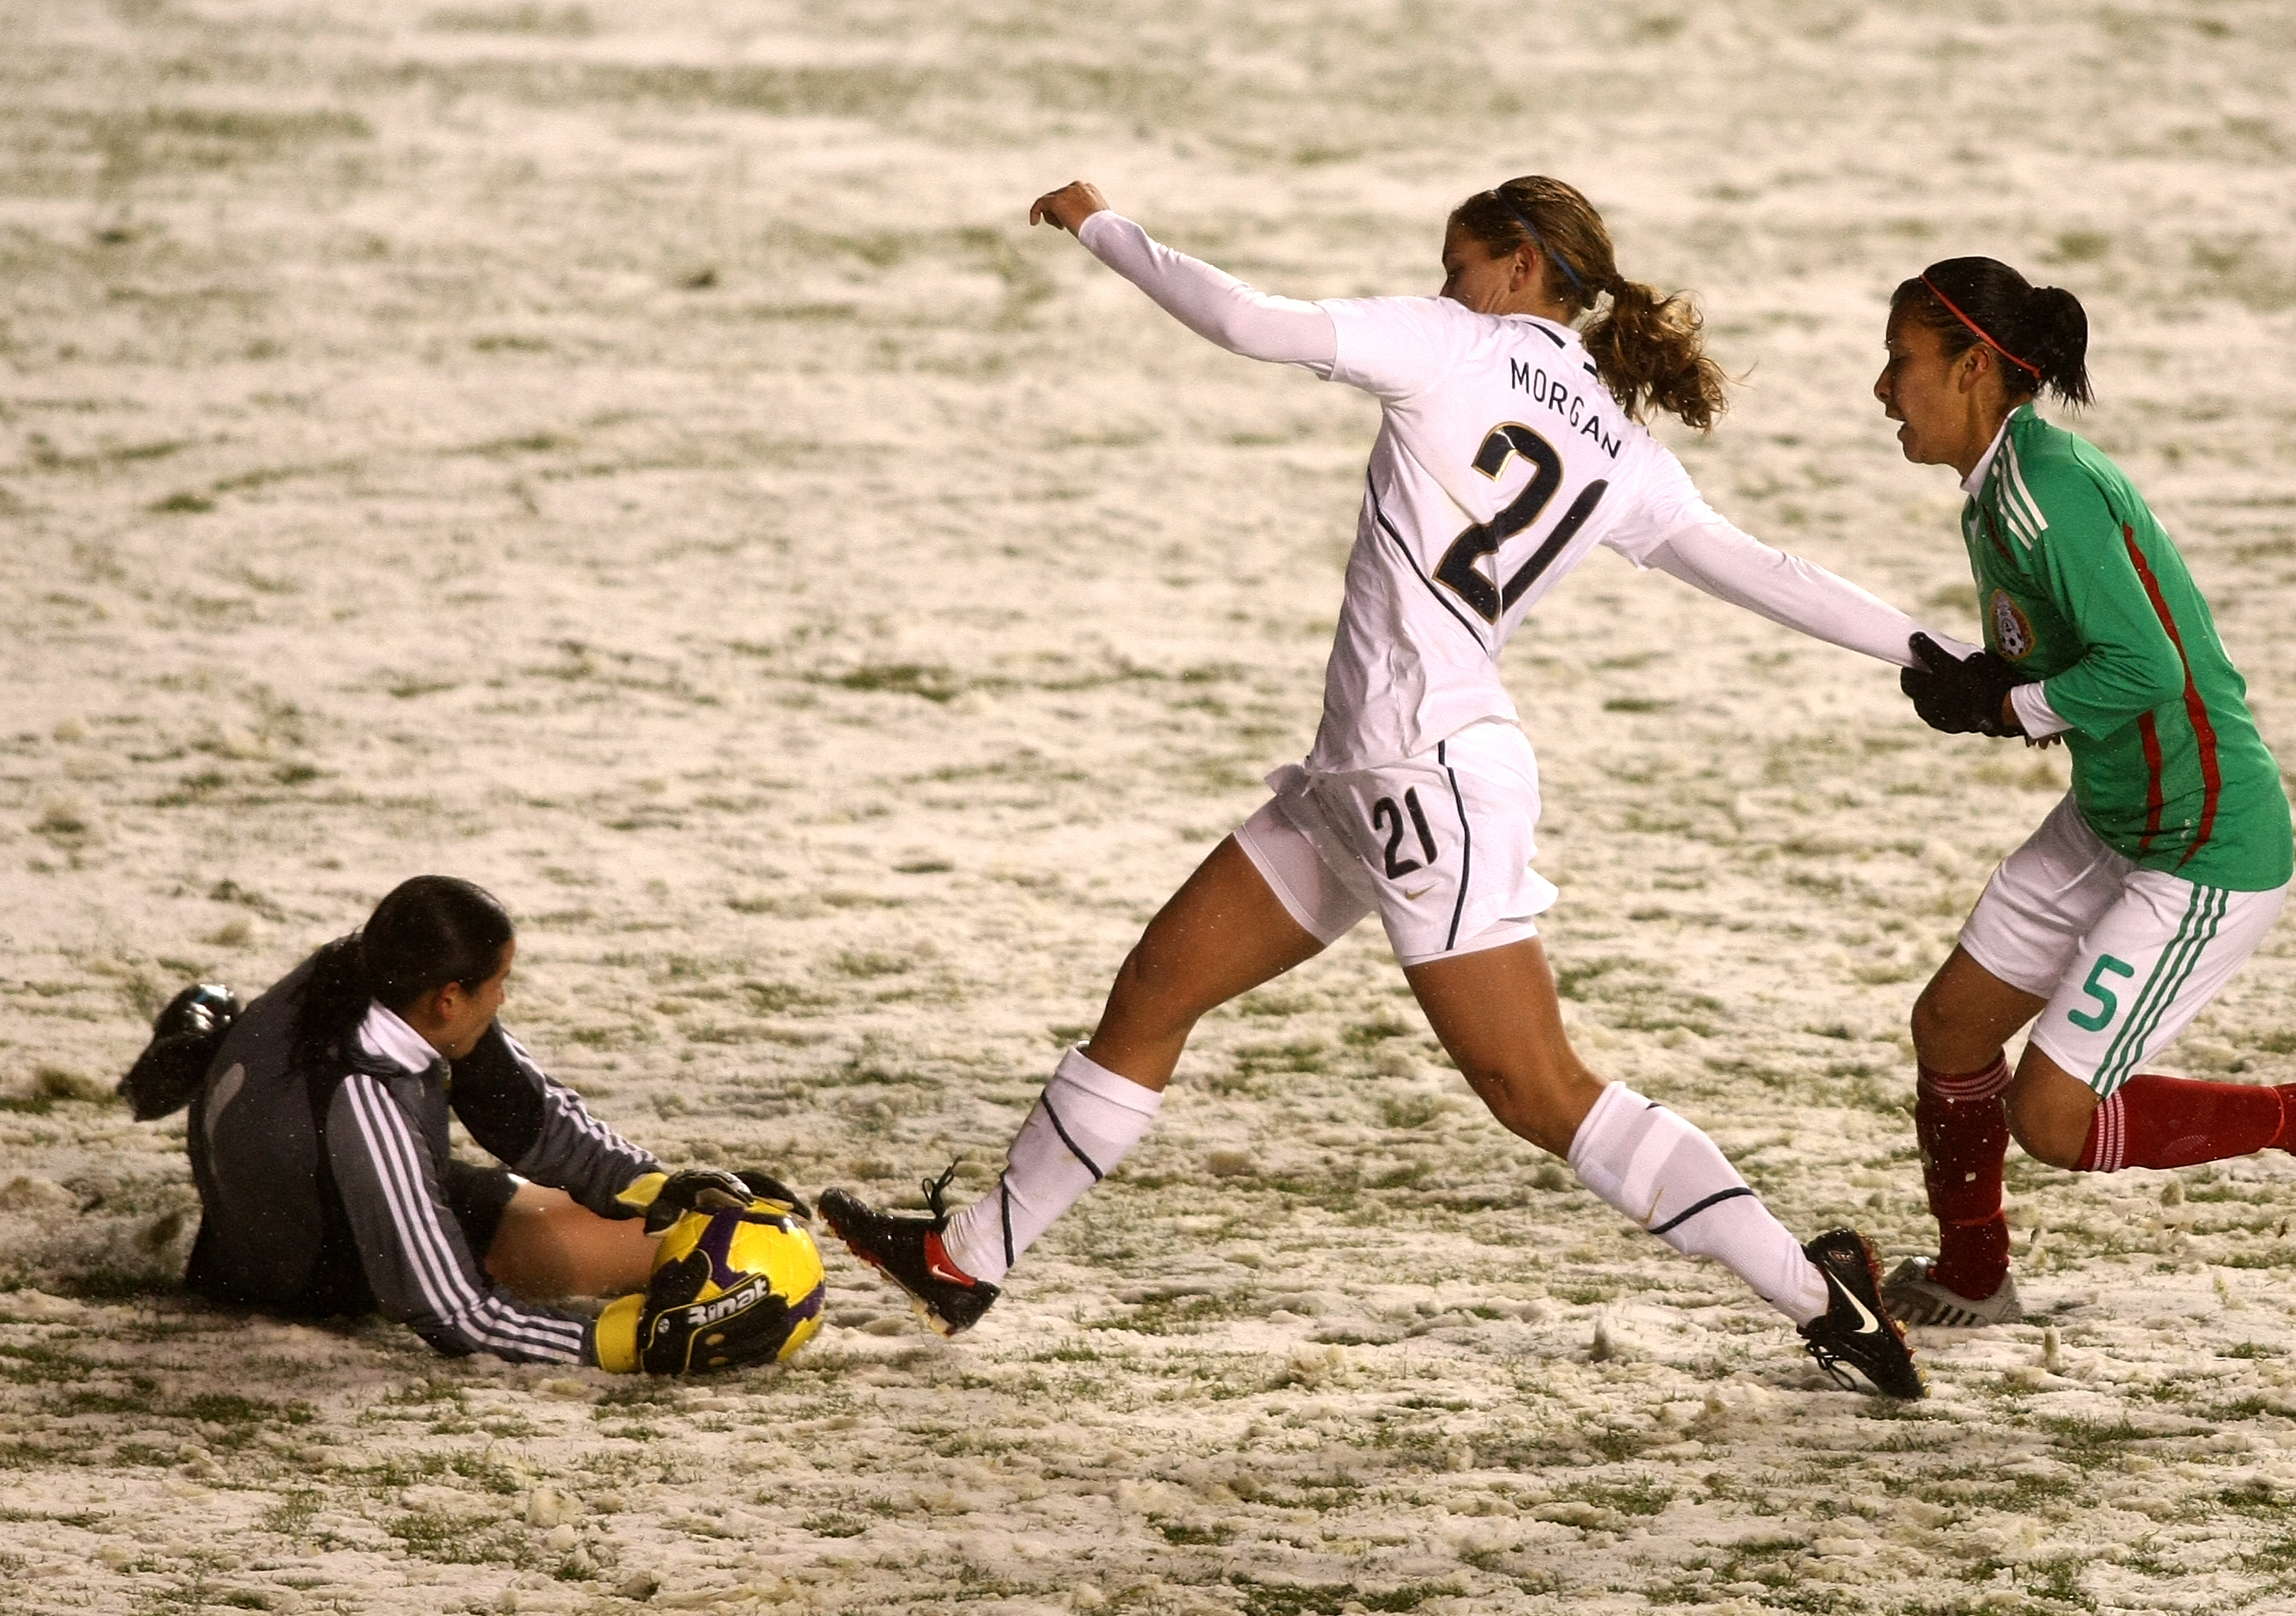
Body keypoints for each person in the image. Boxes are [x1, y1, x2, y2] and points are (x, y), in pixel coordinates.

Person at [820, 176, 1977, 1398]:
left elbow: (1250, 322)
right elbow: (1766, 571)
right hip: (1358, 782)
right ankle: (968, 1259)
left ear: (1520, 265)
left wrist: (1105, 226)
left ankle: (1822, 1299)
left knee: (1538, 1090)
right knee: (1156, 988)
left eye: (1455, 261)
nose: (1442, 284)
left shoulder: (1455, 343)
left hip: (1422, 782)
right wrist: (1929, 649)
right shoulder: (1615, 443)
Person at [1875, 257, 2296, 1327]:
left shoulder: (2042, 494)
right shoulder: (2000, 487)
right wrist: (1993, 680)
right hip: (2114, 818)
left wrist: (2009, 708)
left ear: (1974, 365)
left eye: (1901, 362)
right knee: (1951, 1029)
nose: (1884, 388)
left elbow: (2147, 670)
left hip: (2202, 841)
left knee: (2054, 1115)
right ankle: (1976, 1272)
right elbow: (2072, 653)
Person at [121, 875, 814, 1372]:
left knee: (655, 1229)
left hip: (270, 1194)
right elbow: (455, 1314)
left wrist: (655, 1185)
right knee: (658, 1258)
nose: (505, 996)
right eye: (499, 982)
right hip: (295, 1270)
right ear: (449, 998)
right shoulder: (365, 1108)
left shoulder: (366, 968)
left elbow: (523, 1111)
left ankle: (206, 1034)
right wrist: (626, 1344)